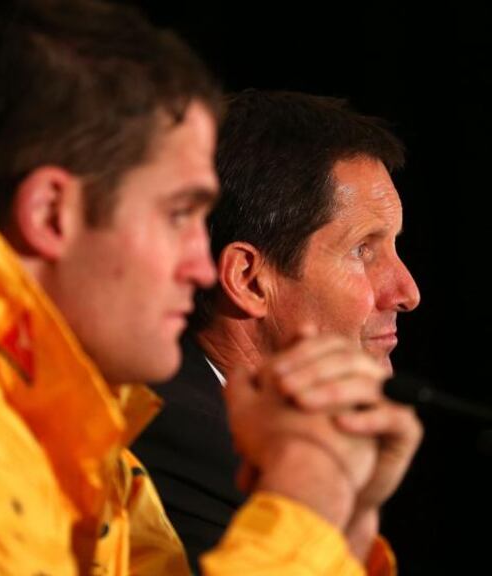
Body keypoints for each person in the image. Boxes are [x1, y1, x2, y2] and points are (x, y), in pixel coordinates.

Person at [0, 3, 413, 575]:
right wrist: (301, 503)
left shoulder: (57, 404)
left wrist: (344, 519)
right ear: (52, 213)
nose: (201, 267)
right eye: (178, 215)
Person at [132, 89, 424, 572]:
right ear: (250, 280)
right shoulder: (175, 439)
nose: (408, 292)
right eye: (363, 250)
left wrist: (357, 516)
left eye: (393, 247)